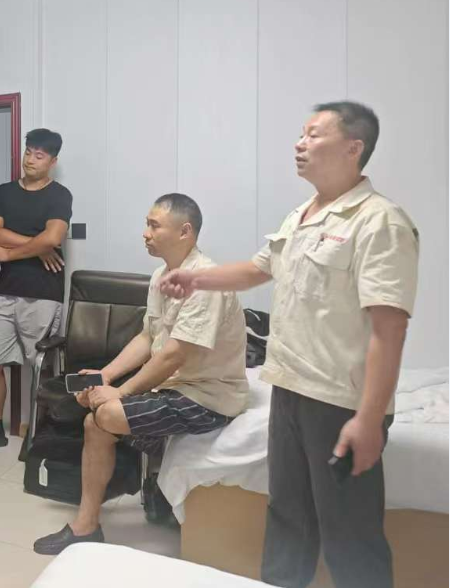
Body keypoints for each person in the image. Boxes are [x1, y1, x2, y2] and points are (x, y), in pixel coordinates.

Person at [159, 102, 418, 588]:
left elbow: (390, 330)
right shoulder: (302, 214)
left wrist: (368, 419)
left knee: (350, 538)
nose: (300, 144)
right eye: (301, 134)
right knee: (287, 519)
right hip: (290, 388)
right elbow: (257, 270)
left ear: (353, 147)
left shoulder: (379, 222)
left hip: (340, 402)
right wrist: (194, 279)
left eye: (314, 135)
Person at [33, 193, 248, 554]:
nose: (145, 233)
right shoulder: (161, 276)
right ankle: (88, 524)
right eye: (146, 224)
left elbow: (175, 354)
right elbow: (149, 337)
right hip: (176, 386)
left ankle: (89, 524)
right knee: (96, 418)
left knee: (103, 416)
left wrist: (121, 392)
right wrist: (104, 376)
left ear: (185, 231)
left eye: (154, 225)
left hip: (207, 397)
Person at [0, 128, 72, 449]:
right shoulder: (4, 192)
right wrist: (38, 247)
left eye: (39, 155)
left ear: (52, 161)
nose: (30, 160)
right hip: (6, 290)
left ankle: (40, 431)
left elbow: (54, 237)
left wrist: (11, 252)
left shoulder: (59, 195)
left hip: (43, 292)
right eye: (28, 152)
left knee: (40, 365)